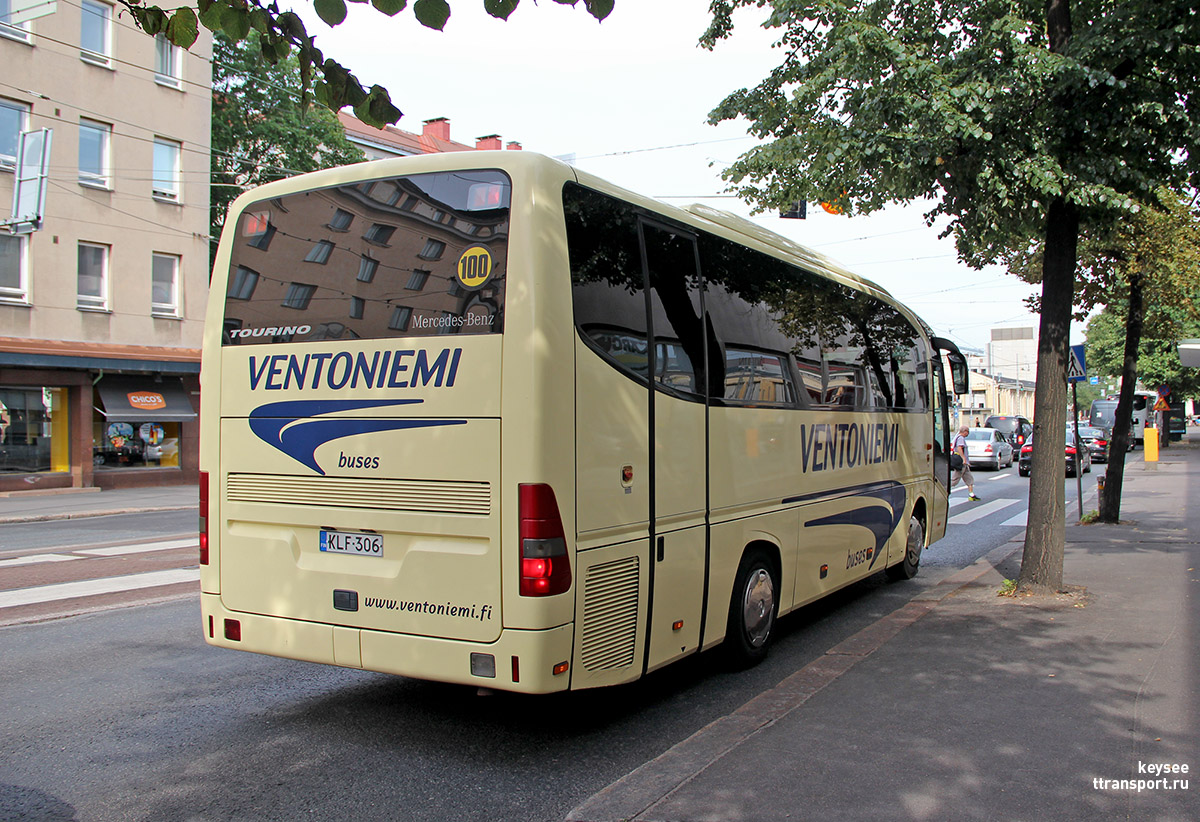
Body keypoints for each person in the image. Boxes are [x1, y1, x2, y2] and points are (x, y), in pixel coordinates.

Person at [951, 425, 980, 500]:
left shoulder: (959, 437)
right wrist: (964, 459)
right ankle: (943, 490)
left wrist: (967, 461)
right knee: (955, 480)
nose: (968, 433)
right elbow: (959, 448)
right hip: (961, 463)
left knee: (969, 478)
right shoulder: (960, 438)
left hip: (964, 463)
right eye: (968, 432)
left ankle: (971, 494)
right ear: (965, 431)